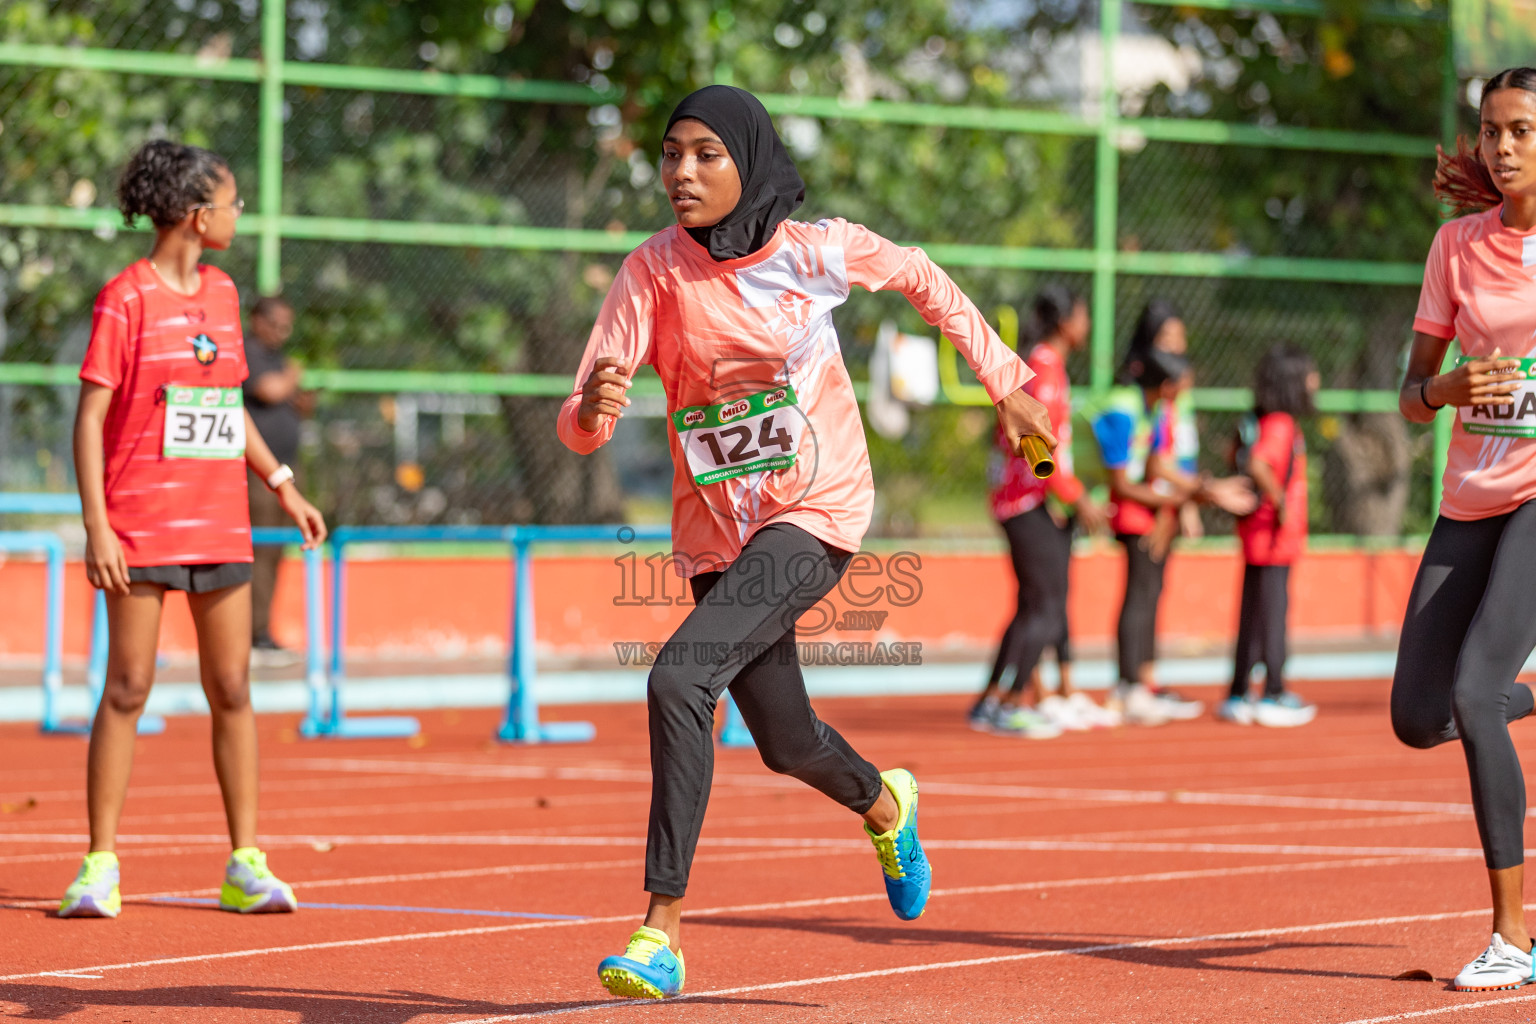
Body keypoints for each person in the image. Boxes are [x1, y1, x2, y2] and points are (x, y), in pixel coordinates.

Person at [557, 85, 1056, 999]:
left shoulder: (816, 251)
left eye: (706, 154)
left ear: (749, 158)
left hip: (815, 510)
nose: (681, 173)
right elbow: (582, 421)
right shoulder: (649, 274)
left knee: (678, 676)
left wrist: (1006, 382)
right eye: (671, 155)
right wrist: (590, 412)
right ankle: (885, 801)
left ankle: (659, 932)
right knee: (785, 741)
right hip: (715, 535)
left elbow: (923, 278)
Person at [60, 139, 327, 919]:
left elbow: (228, 406)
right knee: (128, 688)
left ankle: (245, 863)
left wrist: (283, 484)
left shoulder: (224, 294)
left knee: (234, 687)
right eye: (232, 201)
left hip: (219, 523)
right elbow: (90, 418)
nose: (238, 213)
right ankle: (99, 864)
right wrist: (97, 527)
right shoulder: (126, 297)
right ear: (192, 211)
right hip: (140, 525)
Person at [1391, 66, 1536, 992]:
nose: (1503, 147)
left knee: (1479, 696)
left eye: (1521, 129)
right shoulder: (1455, 245)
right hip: (1466, 497)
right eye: (1491, 131)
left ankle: (1514, 939)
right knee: (1418, 715)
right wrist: (1446, 390)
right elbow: (1409, 396)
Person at [970, 286, 1114, 736]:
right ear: (1066, 320)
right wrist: (1078, 498)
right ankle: (1010, 702)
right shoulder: (1045, 369)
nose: (1087, 323)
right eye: (1084, 313)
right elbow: (1041, 450)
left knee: (1033, 604)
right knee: (1047, 607)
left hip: (1026, 501)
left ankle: (992, 699)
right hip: (1026, 501)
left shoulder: (1038, 363)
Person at [1091, 342, 1255, 726]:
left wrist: (1191, 496)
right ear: (1166, 384)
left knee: (1149, 594)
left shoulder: (1158, 410)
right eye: (1183, 382)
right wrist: (1199, 493)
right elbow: (1131, 478)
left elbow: (1160, 465)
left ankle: (1141, 684)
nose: (1187, 389)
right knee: (1138, 594)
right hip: (1133, 511)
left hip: (1153, 508)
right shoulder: (1126, 407)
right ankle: (1127, 685)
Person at [1217, 344, 1319, 728]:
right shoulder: (1281, 425)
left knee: (1255, 614)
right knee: (1273, 615)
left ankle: (1239, 690)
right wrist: (1279, 501)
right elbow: (1260, 464)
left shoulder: (1269, 421)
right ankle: (1273, 690)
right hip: (1274, 537)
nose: (1315, 381)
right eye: (1309, 374)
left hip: (1261, 536)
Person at [242, 295, 306, 659]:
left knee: (275, 550)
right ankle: (252, 633)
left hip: (285, 468)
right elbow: (270, 390)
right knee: (259, 550)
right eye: (278, 324)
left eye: (288, 326)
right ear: (258, 321)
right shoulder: (247, 351)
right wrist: (291, 378)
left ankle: (261, 629)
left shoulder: (275, 357)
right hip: (260, 473)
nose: (284, 333)